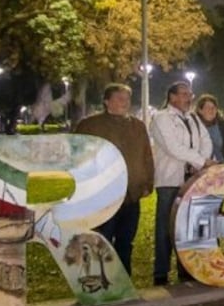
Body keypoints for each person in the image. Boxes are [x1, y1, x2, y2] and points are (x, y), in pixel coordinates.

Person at [74, 83, 154, 276]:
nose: (124, 102)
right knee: (102, 240)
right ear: (107, 101)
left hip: (131, 195)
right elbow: (77, 157)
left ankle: (124, 279)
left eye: (127, 99)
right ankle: (98, 281)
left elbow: (146, 156)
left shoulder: (137, 126)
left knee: (126, 241)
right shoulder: (90, 126)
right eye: (119, 98)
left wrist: (147, 183)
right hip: (104, 196)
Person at [150, 81, 215, 285]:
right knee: (165, 227)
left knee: (189, 227)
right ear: (172, 97)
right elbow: (172, 147)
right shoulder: (161, 118)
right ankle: (161, 272)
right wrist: (200, 160)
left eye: (190, 94)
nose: (189, 98)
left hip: (193, 180)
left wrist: (201, 162)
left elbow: (206, 141)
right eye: (185, 94)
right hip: (171, 180)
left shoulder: (193, 118)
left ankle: (186, 268)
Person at [195, 94, 224, 162]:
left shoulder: (222, 124)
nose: (211, 110)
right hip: (200, 165)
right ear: (200, 110)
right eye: (208, 107)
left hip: (220, 163)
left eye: (214, 107)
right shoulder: (194, 126)